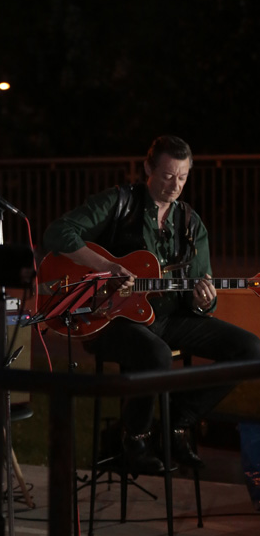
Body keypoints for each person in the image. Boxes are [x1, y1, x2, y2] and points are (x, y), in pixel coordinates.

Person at [42, 134, 260, 475]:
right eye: (168, 176)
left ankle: (176, 424)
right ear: (148, 168)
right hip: (109, 318)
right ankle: (134, 438)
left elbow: (199, 294)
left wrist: (204, 301)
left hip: (169, 317)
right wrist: (107, 266)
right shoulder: (119, 203)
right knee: (156, 354)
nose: (175, 186)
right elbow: (57, 233)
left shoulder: (191, 224)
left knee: (251, 350)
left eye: (183, 177)